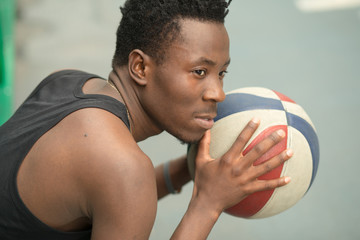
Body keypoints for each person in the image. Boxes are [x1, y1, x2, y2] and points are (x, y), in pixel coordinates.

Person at [0, 0, 293, 239]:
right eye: (199, 72)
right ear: (140, 67)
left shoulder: (66, 82)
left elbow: (108, 193)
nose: (218, 93)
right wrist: (208, 204)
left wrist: (186, 170)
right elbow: (122, 181)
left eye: (221, 73)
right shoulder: (124, 169)